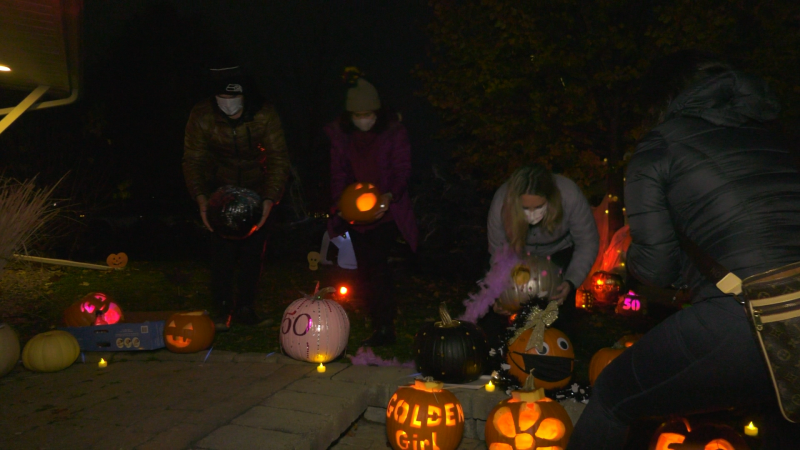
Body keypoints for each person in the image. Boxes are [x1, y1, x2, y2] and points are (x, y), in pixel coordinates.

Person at [567, 51, 800, 449]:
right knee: (781, 419)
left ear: (664, 100)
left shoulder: (660, 145)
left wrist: (634, 256)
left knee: (612, 396)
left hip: (747, 316)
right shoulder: (777, 139)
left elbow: (656, 268)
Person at [183, 64, 290, 330]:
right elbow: (193, 159)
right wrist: (201, 198)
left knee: (254, 251)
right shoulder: (202, 115)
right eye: (223, 98)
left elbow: (279, 158)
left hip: (257, 186)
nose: (228, 103)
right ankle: (221, 308)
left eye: (234, 98)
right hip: (220, 188)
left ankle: (245, 307)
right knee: (221, 252)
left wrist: (269, 198)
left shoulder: (264, 114)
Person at [325, 76, 418, 347]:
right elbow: (337, 174)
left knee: (378, 268)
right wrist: (339, 204)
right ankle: (376, 319)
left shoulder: (393, 133)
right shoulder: (342, 138)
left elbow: (402, 168)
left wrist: (390, 195)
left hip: (386, 211)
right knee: (365, 270)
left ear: (377, 113)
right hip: (354, 213)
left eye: (367, 114)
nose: (363, 119)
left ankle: (384, 325)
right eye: (357, 115)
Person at [481, 165, 598, 342]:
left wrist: (571, 280)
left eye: (539, 207)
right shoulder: (501, 203)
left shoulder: (570, 195)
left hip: (559, 251)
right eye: (525, 208)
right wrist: (499, 293)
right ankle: (495, 356)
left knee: (559, 311)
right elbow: (498, 251)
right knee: (493, 314)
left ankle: (556, 356)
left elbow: (587, 242)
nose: (532, 215)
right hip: (517, 252)